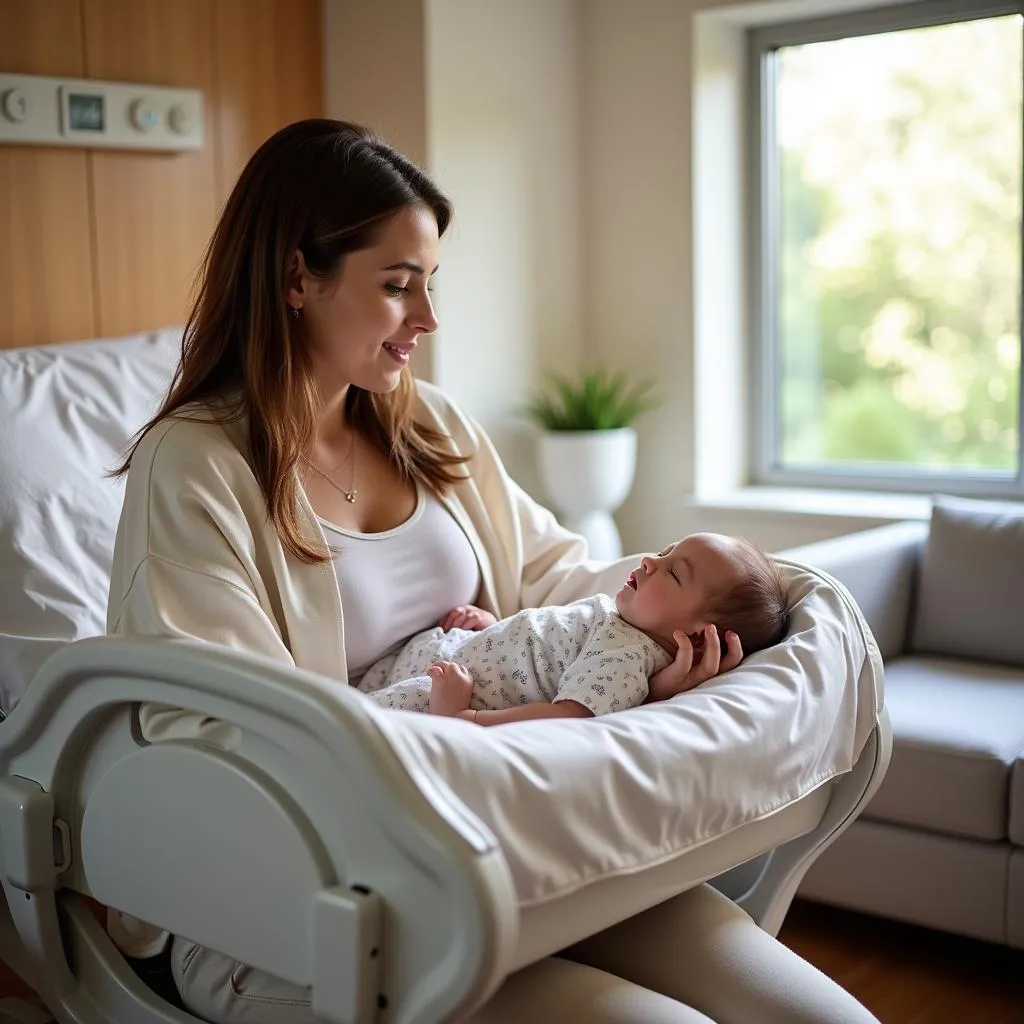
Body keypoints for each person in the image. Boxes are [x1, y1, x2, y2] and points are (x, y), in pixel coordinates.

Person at [106, 118, 878, 1024]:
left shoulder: (423, 423)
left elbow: (561, 583)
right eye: (398, 288)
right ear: (294, 278)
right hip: (308, 896)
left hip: (512, 846)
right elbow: (234, 731)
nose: (428, 320)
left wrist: (692, 619)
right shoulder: (196, 465)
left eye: (430, 285)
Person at [358, 532, 790, 723]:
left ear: (698, 636)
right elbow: (547, 648)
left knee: (350, 728)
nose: (649, 561)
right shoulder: (624, 626)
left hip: (443, 698)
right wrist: (492, 631)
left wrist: (461, 716)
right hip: (442, 654)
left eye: (674, 574)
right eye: (663, 551)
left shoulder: (627, 657)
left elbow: (566, 716)